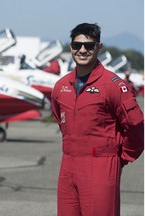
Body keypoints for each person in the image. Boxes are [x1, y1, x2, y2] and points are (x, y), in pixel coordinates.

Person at [51, 23, 144, 216]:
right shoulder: (61, 87)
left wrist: (122, 157)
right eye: (77, 45)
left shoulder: (114, 86)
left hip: (100, 164)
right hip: (68, 164)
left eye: (89, 45)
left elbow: (136, 125)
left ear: (98, 48)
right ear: (71, 47)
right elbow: (62, 121)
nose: (82, 50)